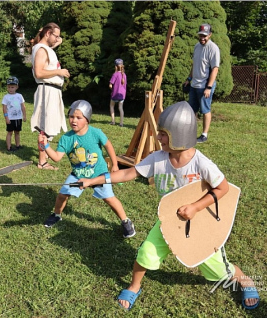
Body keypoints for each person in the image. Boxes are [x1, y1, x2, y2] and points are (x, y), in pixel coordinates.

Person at [79, 101, 260, 311]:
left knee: (219, 271)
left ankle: (246, 281)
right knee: (146, 252)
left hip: (199, 222)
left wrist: (195, 207)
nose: (158, 138)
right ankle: (134, 286)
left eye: (163, 134)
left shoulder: (201, 163)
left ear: (180, 134)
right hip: (170, 220)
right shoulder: (158, 158)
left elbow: (223, 189)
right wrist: (93, 181)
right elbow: (129, 173)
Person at [38, 100, 135, 238]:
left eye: (79, 117)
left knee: (109, 199)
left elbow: (108, 146)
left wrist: (114, 164)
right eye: (71, 116)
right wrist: (46, 145)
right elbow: (57, 158)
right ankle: (57, 215)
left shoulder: (96, 133)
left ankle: (126, 221)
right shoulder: (66, 138)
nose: (74, 120)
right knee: (62, 195)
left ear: (87, 119)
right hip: (78, 175)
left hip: (99, 174)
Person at [30, 22, 70, 170]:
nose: (58, 39)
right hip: (47, 90)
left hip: (52, 90)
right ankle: (42, 162)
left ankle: (44, 154)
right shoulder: (41, 50)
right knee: (44, 126)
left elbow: (55, 43)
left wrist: (57, 37)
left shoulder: (45, 48)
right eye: (55, 36)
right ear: (47, 34)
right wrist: (59, 72)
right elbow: (39, 73)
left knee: (50, 124)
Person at [183, 23, 220, 143]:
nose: (202, 38)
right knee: (191, 110)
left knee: (205, 110)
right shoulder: (196, 47)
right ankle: (190, 133)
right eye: (200, 35)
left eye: (205, 35)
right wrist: (189, 79)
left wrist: (209, 87)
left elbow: (215, 68)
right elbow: (194, 64)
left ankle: (204, 135)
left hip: (205, 85)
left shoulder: (213, 48)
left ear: (210, 35)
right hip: (194, 84)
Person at [2, 76, 26, 152]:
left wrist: (24, 115)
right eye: (9, 87)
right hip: (10, 119)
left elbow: (23, 106)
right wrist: (6, 118)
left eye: (12, 87)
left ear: (16, 87)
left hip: (18, 118)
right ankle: (9, 147)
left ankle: (18, 145)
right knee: (10, 132)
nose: (10, 89)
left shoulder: (19, 96)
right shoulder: (6, 97)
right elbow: (4, 108)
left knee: (17, 132)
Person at [109, 58, 127, 127]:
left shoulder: (115, 74)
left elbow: (110, 84)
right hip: (122, 95)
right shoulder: (124, 75)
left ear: (116, 66)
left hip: (115, 94)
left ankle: (113, 121)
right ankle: (121, 123)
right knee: (120, 108)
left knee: (112, 105)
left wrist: (112, 88)